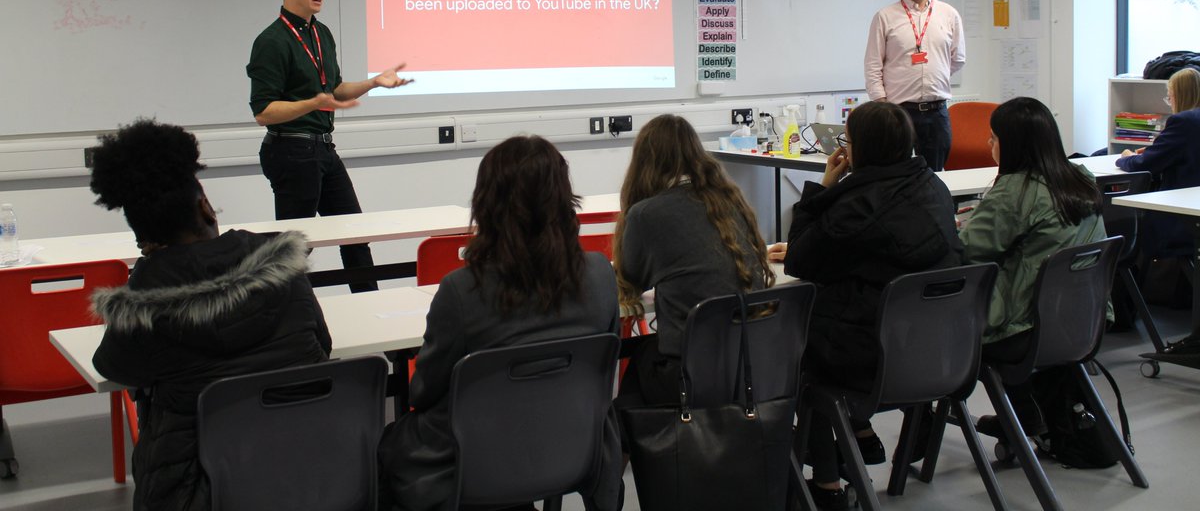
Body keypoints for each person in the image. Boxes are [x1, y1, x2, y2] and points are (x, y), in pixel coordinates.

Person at [88, 119, 332, 511]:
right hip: (313, 473)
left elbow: (116, 369)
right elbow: (323, 344)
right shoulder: (281, 265)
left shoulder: (144, 298)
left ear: (142, 238)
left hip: (199, 491)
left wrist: (150, 267)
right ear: (204, 206)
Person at [377, 136, 622, 511]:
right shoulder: (600, 276)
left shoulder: (463, 290)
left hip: (478, 459)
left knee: (389, 443)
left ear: (488, 203)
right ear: (564, 199)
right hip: (570, 446)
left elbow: (423, 392)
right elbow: (603, 373)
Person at [767, 101, 960, 510]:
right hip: (939, 351)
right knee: (835, 328)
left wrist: (824, 188)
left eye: (848, 142)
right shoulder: (933, 188)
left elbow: (801, 259)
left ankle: (828, 485)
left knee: (802, 355)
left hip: (871, 359)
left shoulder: (857, 206)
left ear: (860, 149)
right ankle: (860, 434)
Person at [246, 0, 411, 293]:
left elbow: (335, 88)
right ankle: (295, 323)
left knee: (355, 235)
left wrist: (373, 82)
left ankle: (371, 310)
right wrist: (312, 103)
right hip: (290, 152)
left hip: (323, 151)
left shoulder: (322, 35)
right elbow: (263, 111)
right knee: (294, 251)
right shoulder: (271, 42)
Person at [960, 97, 1105, 438]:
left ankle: (1019, 416)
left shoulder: (1015, 192)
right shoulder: (1081, 179)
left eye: (993, 138)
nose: (988, 144)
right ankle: (1024, 417)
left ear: (1012, 145)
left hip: (1024, 330)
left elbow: (967, 251)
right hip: (1082, 321)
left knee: (942, 320)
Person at [612, 114, 775, 410]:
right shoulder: (729, 200)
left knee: (637, 366)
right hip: (751, 364)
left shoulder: (647, 214)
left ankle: (632, 450)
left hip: (692, 372)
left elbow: (631, 277)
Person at [864, 0, 966, 171]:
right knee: (894, 175)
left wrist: (933, 74)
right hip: (898, 112)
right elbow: (873, 64)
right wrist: (882, 105)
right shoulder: (885, 16)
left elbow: (958, 58)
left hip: (937, 111)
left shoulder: (949, 14)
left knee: (936, 178)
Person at [1116, 66, 1200, 259]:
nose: (1170, 103)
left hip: (1180, 216)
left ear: (1180, 96)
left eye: (1170, 97)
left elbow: (1142, 165)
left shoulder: (1183, 121)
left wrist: (1126, 157)